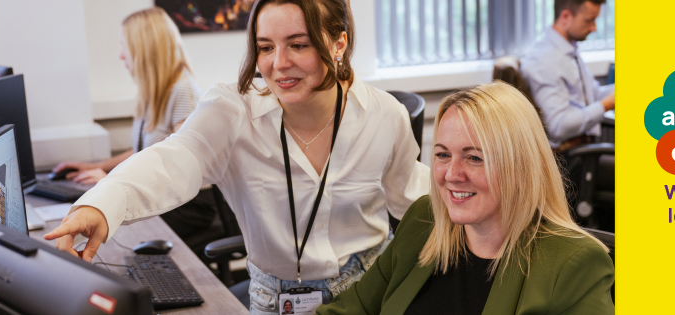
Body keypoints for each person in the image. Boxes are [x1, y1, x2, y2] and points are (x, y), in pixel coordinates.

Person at [44, 1, 429, 314]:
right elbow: (175, 158)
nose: (278, 63)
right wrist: (101, 204)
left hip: (368, 289)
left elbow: (412, 196)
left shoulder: (384, 115)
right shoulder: (232, 111)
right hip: (274, 298)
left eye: (298, 44)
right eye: (265, 47)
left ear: (338, 43)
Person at [316, 82, 614, 315]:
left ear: (520, 166)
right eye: (443, 155)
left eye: (473, 158)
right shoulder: (425, 220)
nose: (452, 174)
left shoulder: (575, 264)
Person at [51, 7, 218, 250]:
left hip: (189, 206)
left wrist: (115, 184)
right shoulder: (155, 89)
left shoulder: (183, 91)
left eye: (124, 46)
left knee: (113, 240)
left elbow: (181, 169)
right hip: (164, 197)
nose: (121, 55)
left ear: (144, 48)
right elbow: (143, 151)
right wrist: (96, 167)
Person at [520, 0, 614, 152]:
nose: (594, 28)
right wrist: (607, 105)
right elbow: (558, 126)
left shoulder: (568, 50)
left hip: (583, 146)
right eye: (589, 20)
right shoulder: (545, 60)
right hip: (570, 159)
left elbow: (593, 94)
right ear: (565, 16)